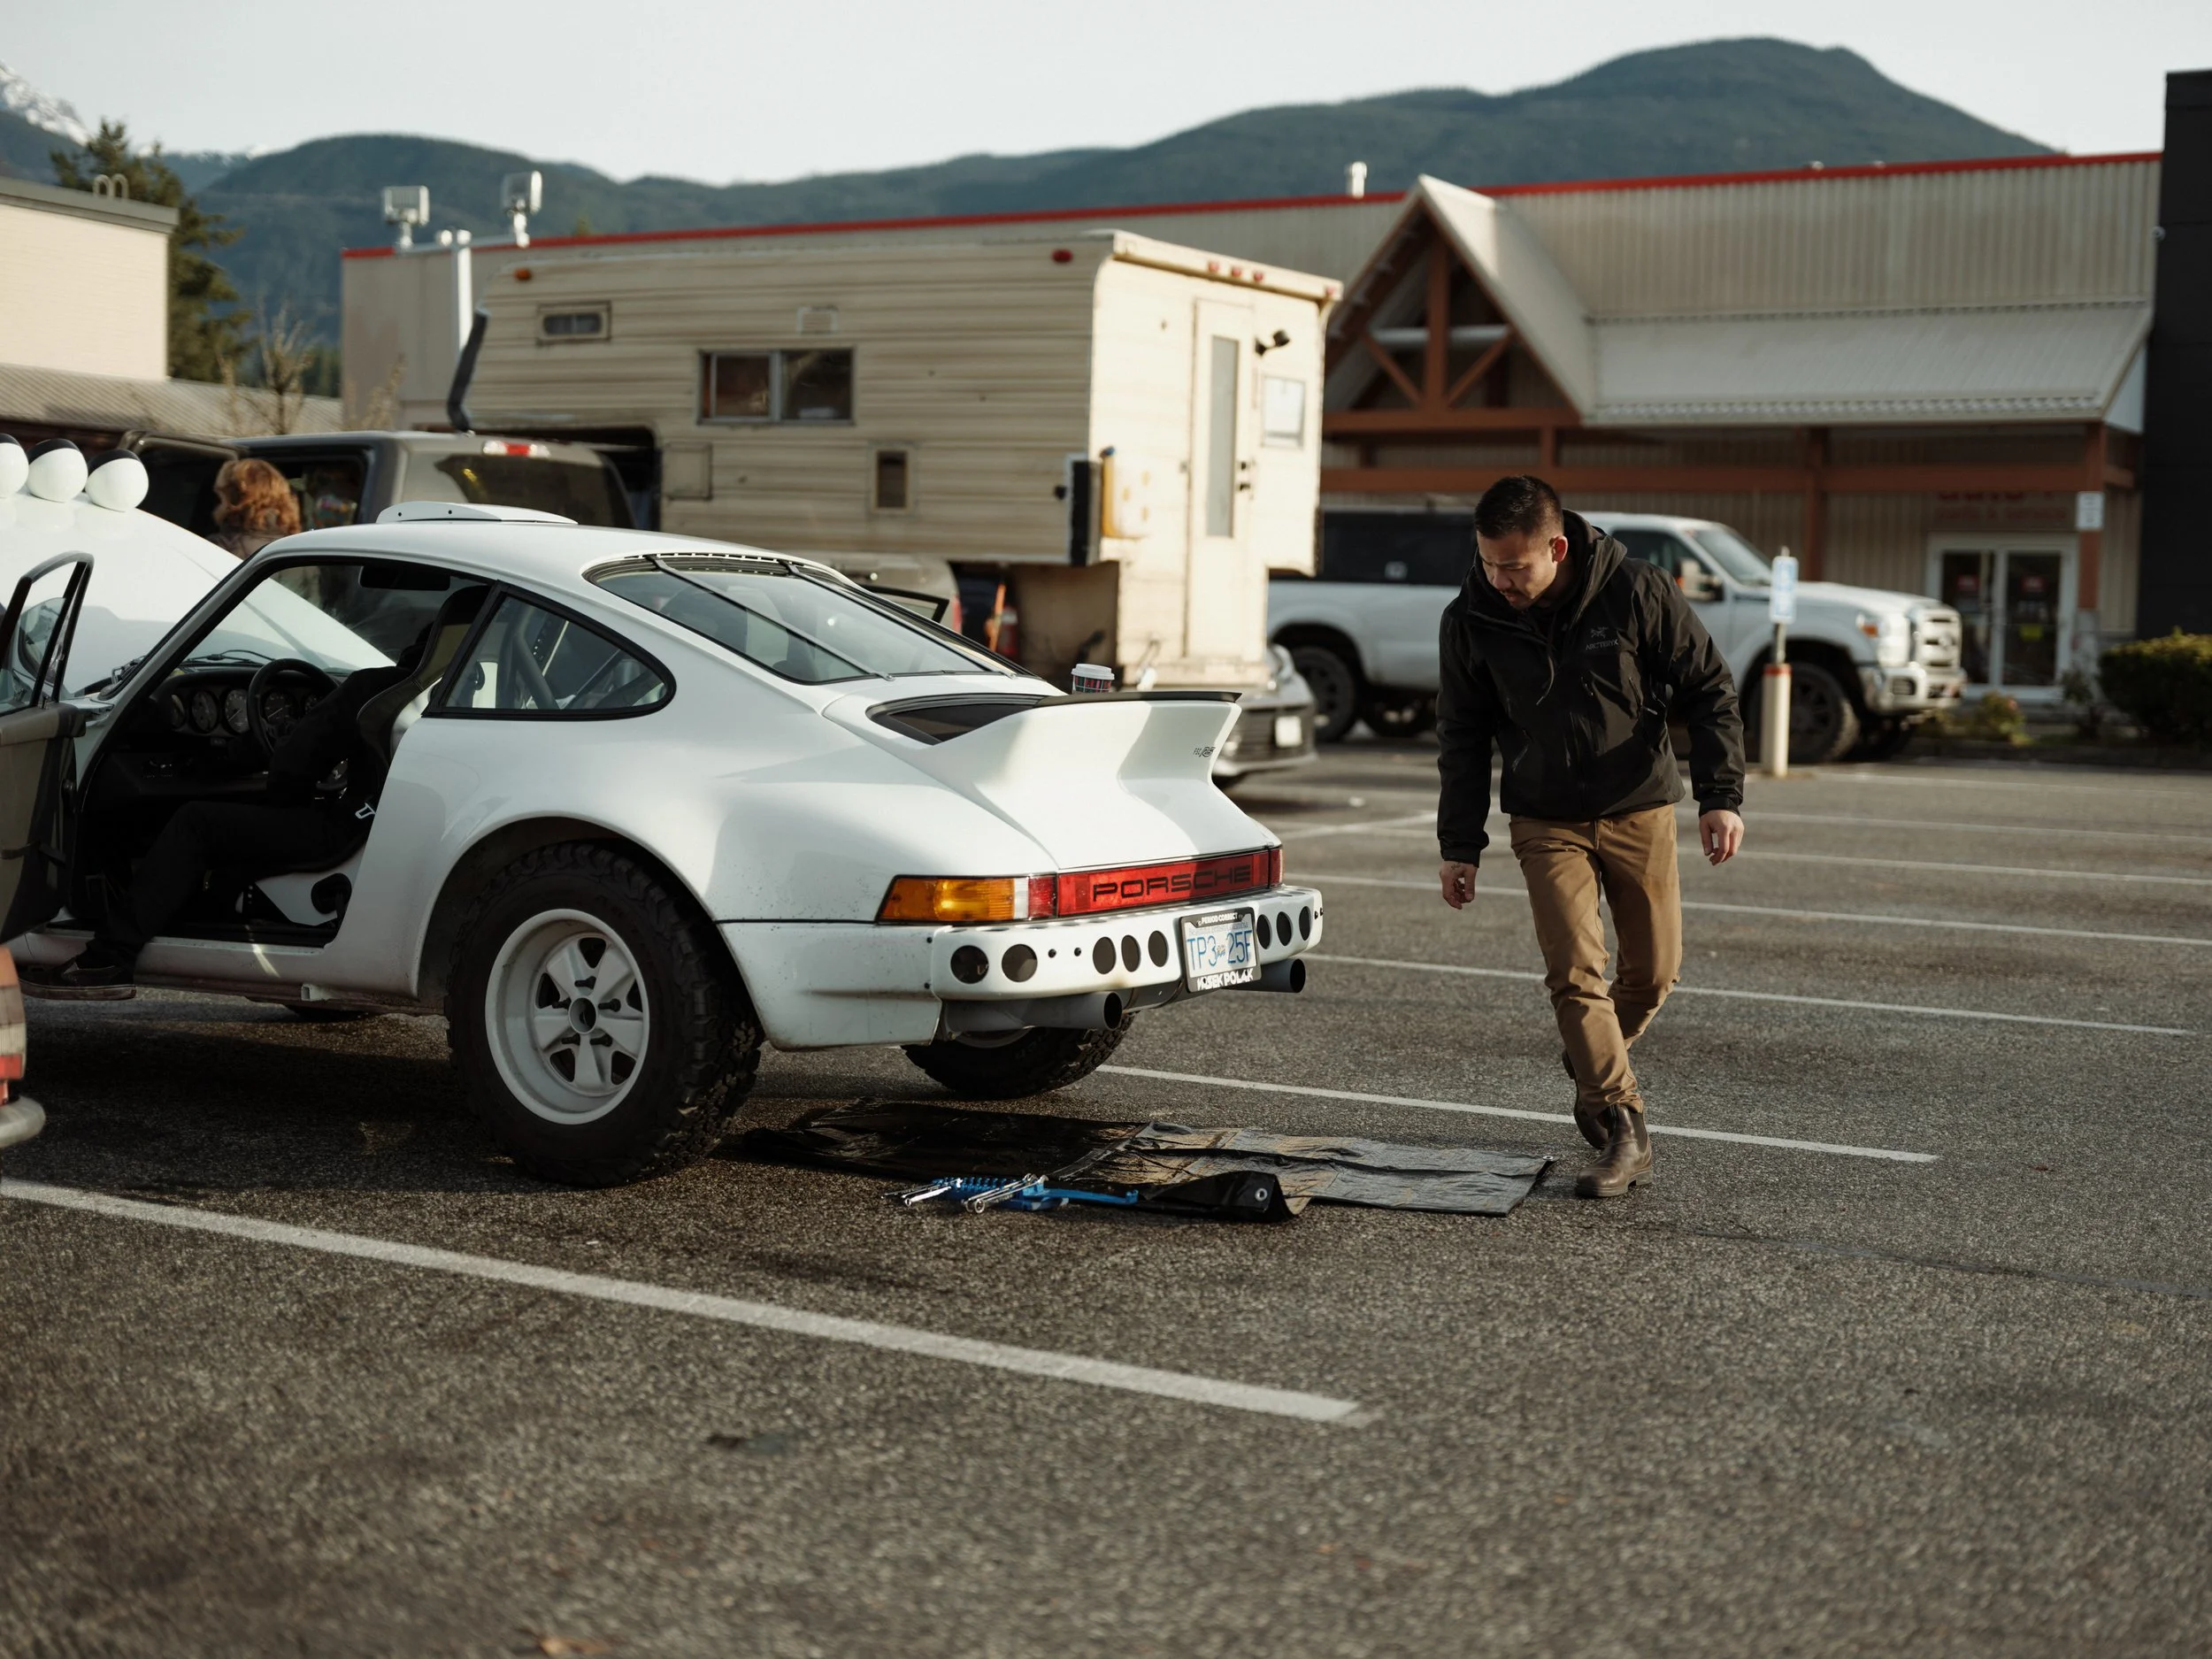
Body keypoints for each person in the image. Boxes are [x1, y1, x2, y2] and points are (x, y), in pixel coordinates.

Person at [1436, 476, 1746, 1199]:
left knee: (1654, 972)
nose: (1502, 580)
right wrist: (1460, 844)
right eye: (1489, 563)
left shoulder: (1636, 590)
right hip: (1544, 817)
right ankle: (1621, 1122)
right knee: (1575, 969)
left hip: (1638, 803)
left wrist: (1721, 796)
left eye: (1517, 566)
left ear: (1558, 546)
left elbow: (1709, 688)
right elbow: (1461, 734)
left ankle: (1590, 1060)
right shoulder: (1471, 617)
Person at [29, 638, 424, 992]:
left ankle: (109, 957)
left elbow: (292, 766)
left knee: (196, 822)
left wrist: (259, 766)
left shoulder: (375, 688)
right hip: (380, 822)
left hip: (342, 829)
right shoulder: (442, 692)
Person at [209, 458, 302, 558]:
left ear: (234, 499)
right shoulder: (300, 548)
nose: (218, 505)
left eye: (221, 496)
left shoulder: (218, 547)